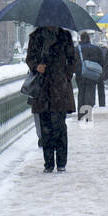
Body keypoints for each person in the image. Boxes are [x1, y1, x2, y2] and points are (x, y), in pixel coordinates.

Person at [26, 22, 78, 173]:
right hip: (42, 87)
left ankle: (61, 162)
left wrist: (65, 76)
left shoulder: (65, 36)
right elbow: (29, 58)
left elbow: (72, 59)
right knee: (45, 127)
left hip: (59, 87)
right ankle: (48, 163)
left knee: (59, 126)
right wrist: (37, 66)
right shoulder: (35, 37)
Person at [76, 31, 107, 122]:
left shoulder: (77, 49)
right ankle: (87, 114)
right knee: (90, 92)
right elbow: (102, 61)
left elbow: (72, 62)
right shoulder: (96, 49)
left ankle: (81, 114)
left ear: (81, 39)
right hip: (92, 74)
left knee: (81, 93)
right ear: (89, 39)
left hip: (80, 74)